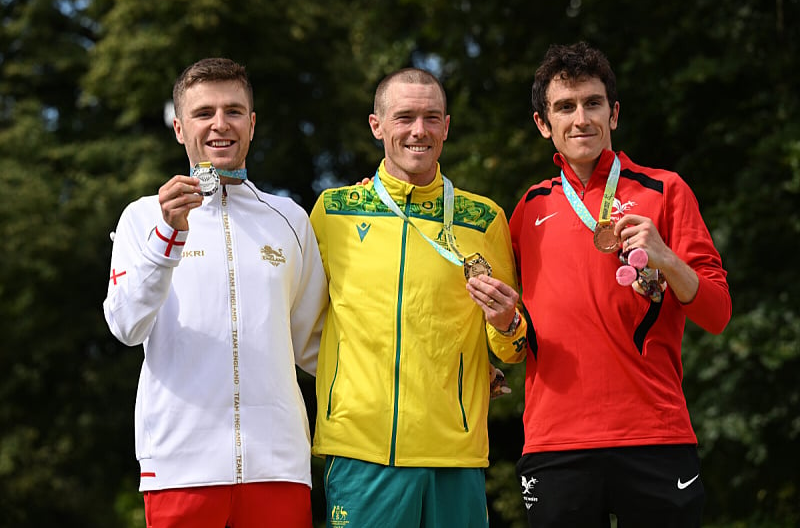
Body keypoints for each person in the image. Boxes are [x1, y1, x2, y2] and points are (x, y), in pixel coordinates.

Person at [510, 42, 732, 527]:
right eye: (564, 107)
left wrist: (668, 259)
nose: (581, 118)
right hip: (556, 444)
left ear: (614, 113)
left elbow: (717, 314)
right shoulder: (527, 208)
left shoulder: (665, 190)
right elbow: (506, 319)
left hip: (655, 435)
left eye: (592, 103)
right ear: (543, 124)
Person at [103, 57, 327, 528]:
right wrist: (169, 233)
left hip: (278, 467)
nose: (219, 124)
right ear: (180, 128)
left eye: (233, 110)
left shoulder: (289, 218)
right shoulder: (142, 217)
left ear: (252, 123)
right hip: (179, 469)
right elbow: (126, 326)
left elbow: (320, 347)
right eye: (204, 113)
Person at [310, 68, 527, 527]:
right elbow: (300, 322)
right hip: (360, 449)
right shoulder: (333, 211)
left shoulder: (483, 218)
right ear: (377, 125)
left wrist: (508, 323)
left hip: (456, 450)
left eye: (431, 118)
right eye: (404, 117)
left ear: (446, 127)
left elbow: (512, 346)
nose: (418, 131)